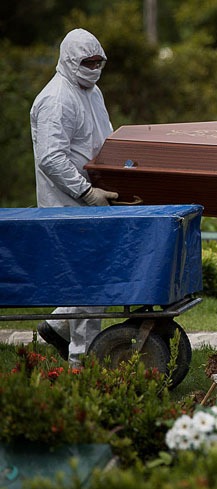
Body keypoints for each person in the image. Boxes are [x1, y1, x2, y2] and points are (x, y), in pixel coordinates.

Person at [30, 28, 118, 365]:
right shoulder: (56, 99)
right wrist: (86, 191)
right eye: (87, 62)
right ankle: (82, 360)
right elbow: (51, 158)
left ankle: (56, 326)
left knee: (95, 275)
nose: (93, 68)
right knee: (88, 281)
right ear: (69, 60)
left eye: (98, 62)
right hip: (67, 204)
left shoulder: (92, 92)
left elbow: (102, 137)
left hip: (91, 199)